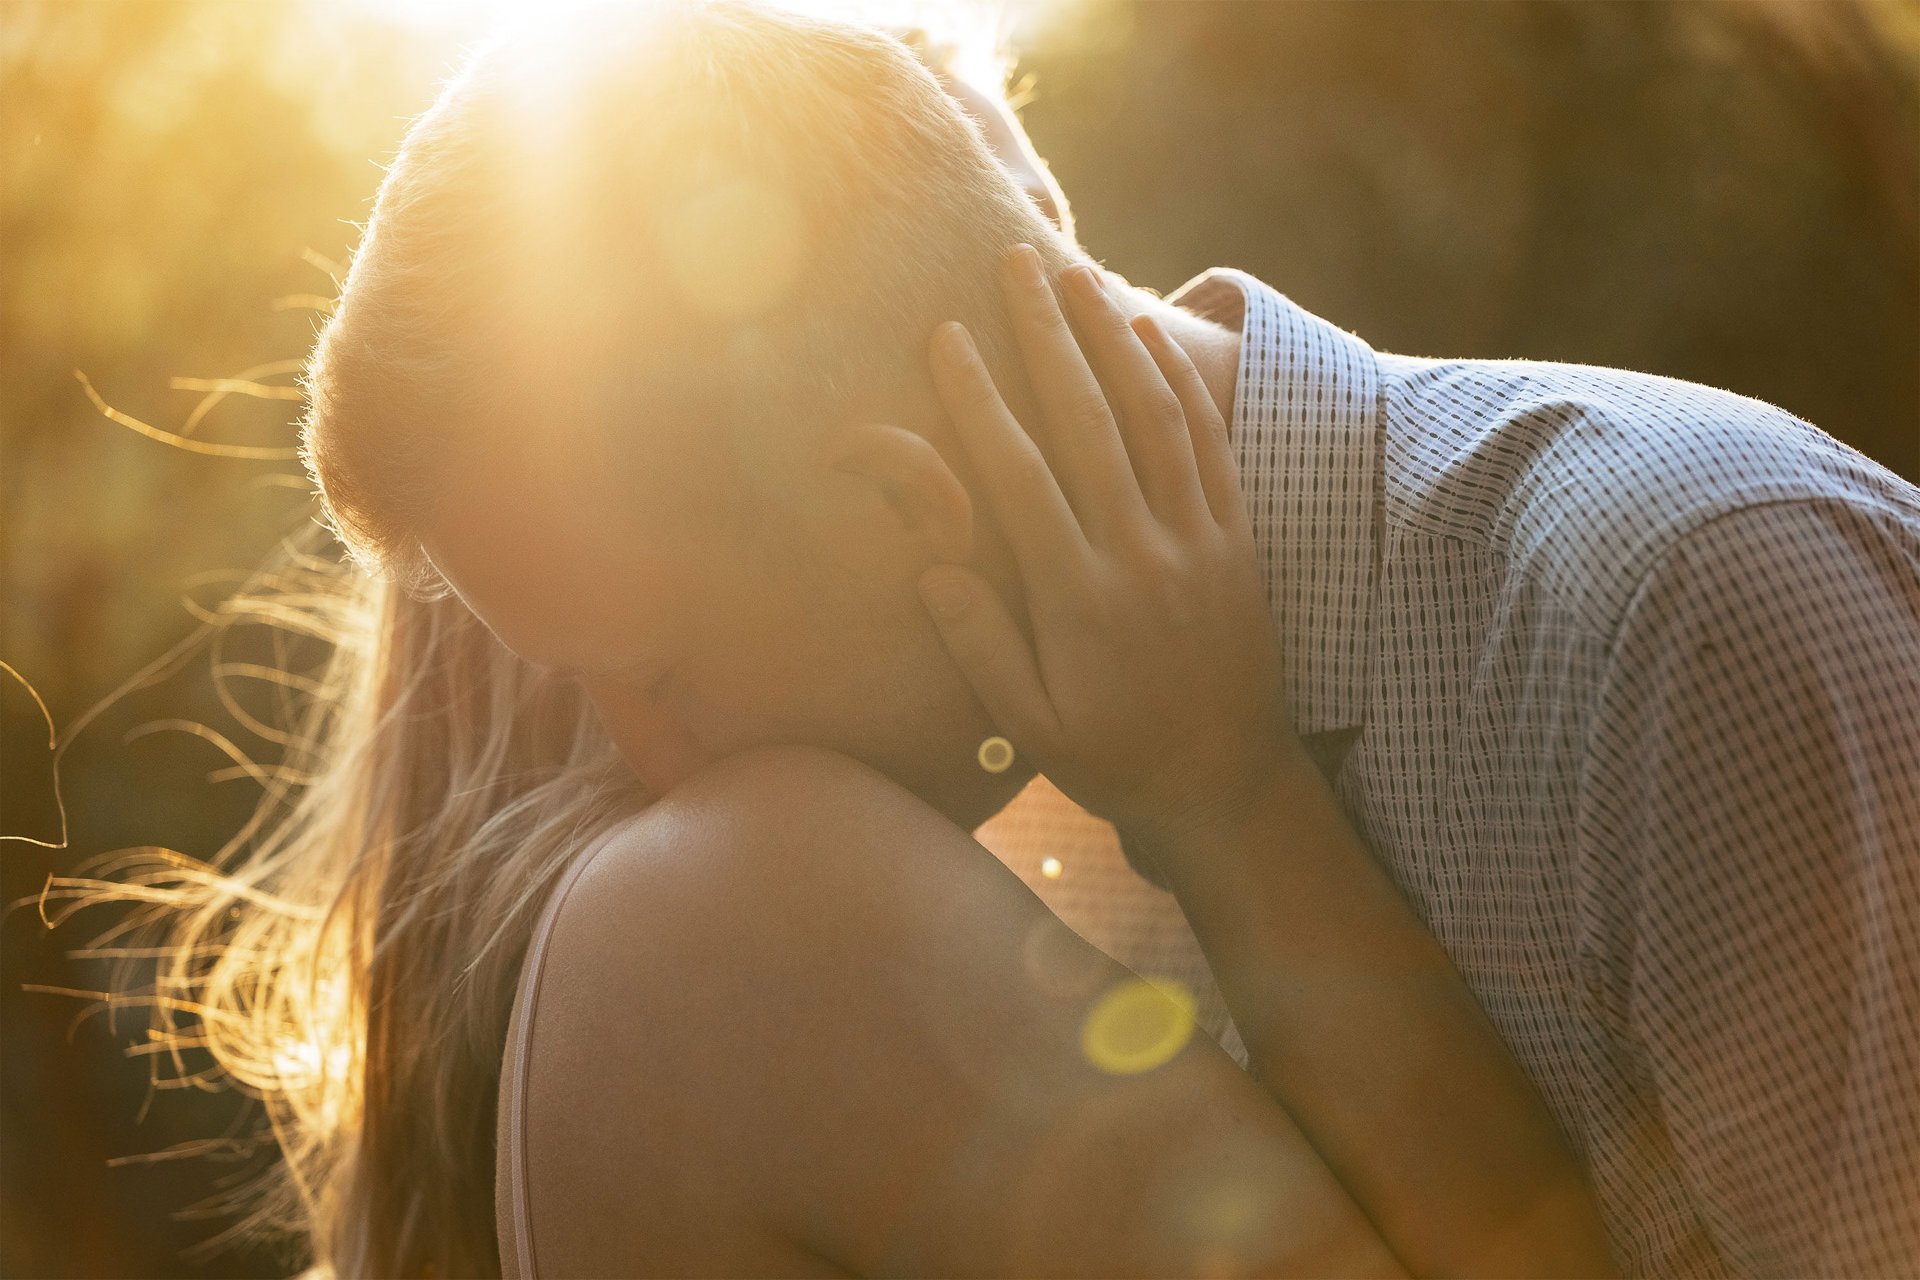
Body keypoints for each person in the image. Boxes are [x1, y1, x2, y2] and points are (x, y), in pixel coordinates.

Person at [94, 1, 1914, 1275]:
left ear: (903, 510)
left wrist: (1226, 802)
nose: (643, 763)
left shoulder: (1697, 603)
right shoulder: (958, 831)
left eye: (656, 672)